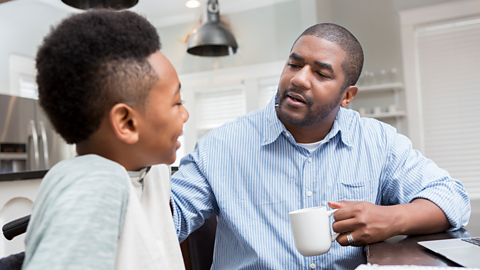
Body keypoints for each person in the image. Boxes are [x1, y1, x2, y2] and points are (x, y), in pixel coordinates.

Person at [162, 23, 470, 269]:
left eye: (321, 73)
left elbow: (453, 199)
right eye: (294, 65)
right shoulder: (222, 145)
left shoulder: (378, 142)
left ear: (347, 95)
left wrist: (390, 219)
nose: (299, 79)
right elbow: (165, 219)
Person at [22, 9, 189, 270]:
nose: (185, 114)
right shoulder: (94, 184)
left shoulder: (152, 169)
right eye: (177, 102)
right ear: (126, 123)